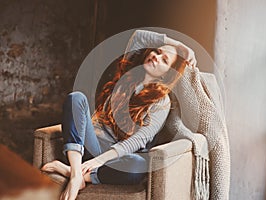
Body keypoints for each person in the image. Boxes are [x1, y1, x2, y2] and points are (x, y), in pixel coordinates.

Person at [41, 29, 196, 200]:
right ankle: (77, 174)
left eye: (164, 60)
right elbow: (138, 36)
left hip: (116, 159)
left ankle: (76, 174)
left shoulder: (161, 101)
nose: (156, 57)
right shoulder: (128, 76)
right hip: (90, 147)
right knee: (76, 98)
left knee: (138, 165)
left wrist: (99, 161)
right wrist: (180, 46)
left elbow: (137, 141)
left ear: (167, 73)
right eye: (157, 51)